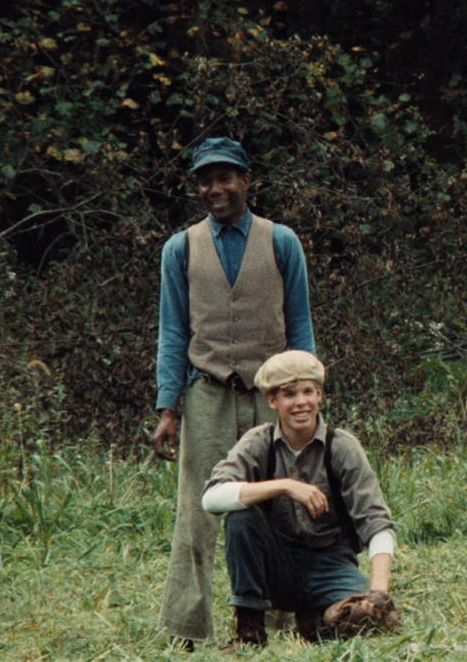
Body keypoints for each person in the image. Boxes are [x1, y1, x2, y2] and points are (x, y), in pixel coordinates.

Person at [151, 136, 315, 649]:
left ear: (247, 181)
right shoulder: (179, 248)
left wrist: (305, 395)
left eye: (225, 177)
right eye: (205, 179)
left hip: (273, 398)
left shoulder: (281, 241)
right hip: (208, 395)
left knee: (282, 506)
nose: (214, 188)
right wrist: (167, 407)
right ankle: (187, 625)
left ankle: (286, 620)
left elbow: (300, 323)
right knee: (198, 512)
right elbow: (172, 332)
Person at [201, 350, 398, 648]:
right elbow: (211, 499)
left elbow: (376, 521)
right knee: (241, 516)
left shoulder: (342, 447)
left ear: (319, 395)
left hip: (331, 563)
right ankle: (249, 632)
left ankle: (313, 622)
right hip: (277, 566)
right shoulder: (258, 441)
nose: (301, 402)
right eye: (289, 394)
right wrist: (284, 486)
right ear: (272, 401)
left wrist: (378, 592)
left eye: (308, 391)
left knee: (370, 620)